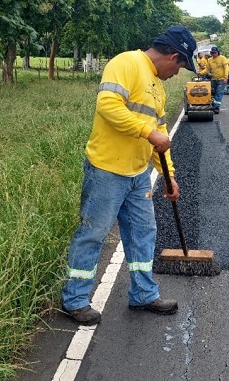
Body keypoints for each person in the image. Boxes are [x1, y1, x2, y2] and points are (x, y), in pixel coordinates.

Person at [61, 25, 197, 324]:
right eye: (181, 66)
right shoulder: (126, 63)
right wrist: (147, 132)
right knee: (93, 234)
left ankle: (144, 295)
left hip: (138, 174)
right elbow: (107, 105)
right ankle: (75, 300)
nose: (178, 74)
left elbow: (160, 133)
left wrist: (168, 174)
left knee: (142, 234)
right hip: (107, 170)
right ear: (173, 57)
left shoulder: (157, 87)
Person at [206, 46, 229, 113]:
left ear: (218, 52)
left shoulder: (223, 58)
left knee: (219, 92)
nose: (213, 54)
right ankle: (213, 104)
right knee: (213, 92)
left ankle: (216, 107)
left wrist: (225, 77)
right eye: (212, 53)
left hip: (221, 79)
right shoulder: (210, 60)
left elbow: (226, 68)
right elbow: (207, 69)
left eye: (214, 53)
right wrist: (200, 73)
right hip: (213, 79)